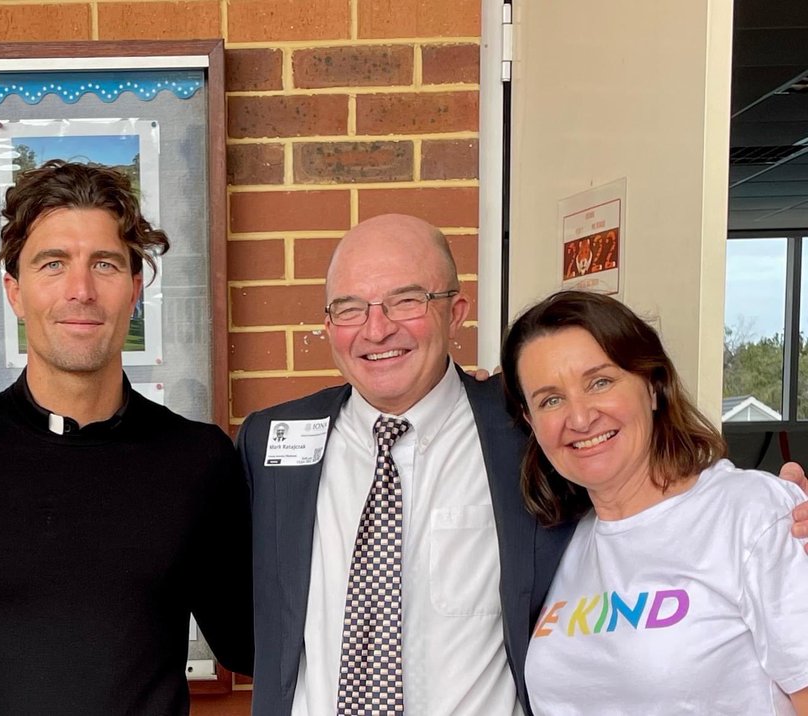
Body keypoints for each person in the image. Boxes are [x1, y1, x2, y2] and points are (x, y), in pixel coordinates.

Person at [236, 214, 808, 716]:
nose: (376, 327)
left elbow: (660, 499)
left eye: (407, 301)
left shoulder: (517, 429)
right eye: (349, 308)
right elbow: (243, 620)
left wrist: (780, 517)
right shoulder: (269, 442)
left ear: (454, 312)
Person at [0, 160, 253, 715]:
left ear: (135, 289)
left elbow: (248, 642)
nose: (80, 290)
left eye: (104, 264)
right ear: (15, 291)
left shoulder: (198, 460)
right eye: (53, 264)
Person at [501, 290, 808, 714]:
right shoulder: (561, 541)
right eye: (550, 399)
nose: (579, 417)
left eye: (600, 382)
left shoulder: (753, 512)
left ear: (653, 386)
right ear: (530, 422)